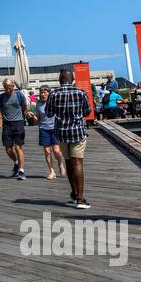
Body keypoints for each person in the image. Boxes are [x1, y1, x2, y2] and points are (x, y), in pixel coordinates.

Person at [46, 68, 92, 209]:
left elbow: (48, 113)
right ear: (72, 79)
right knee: (77, 163)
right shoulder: (80, 92)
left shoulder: (54, 93)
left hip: (61, 133)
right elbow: (87, 111)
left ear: (60, 80)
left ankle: (73, 194)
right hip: (77, 132)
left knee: (68, 163)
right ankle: (81, 199)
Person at [0, 78, 31, 180]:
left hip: (18, 123)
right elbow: (1, 108)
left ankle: (21, 170)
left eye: (9, 88)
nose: (7, 90)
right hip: (7, 124)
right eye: (5, 88)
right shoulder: (1, 97)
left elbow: (24, 107)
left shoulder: (19, 95)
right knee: (8, 149)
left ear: (13, 86)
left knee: (18, 147)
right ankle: (16, 162)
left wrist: (25, 116)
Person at [36, 85, 66, 180]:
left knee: (56, 150)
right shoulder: (38, 104)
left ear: (49, 93)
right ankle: (52, 171)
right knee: (47, 151)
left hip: (55, 128)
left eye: (45, 92)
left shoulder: (54, 102)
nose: (43, 94)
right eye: (41, 92)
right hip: (44, 129)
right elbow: (39, 118)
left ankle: (60, 163)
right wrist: (33, 117)